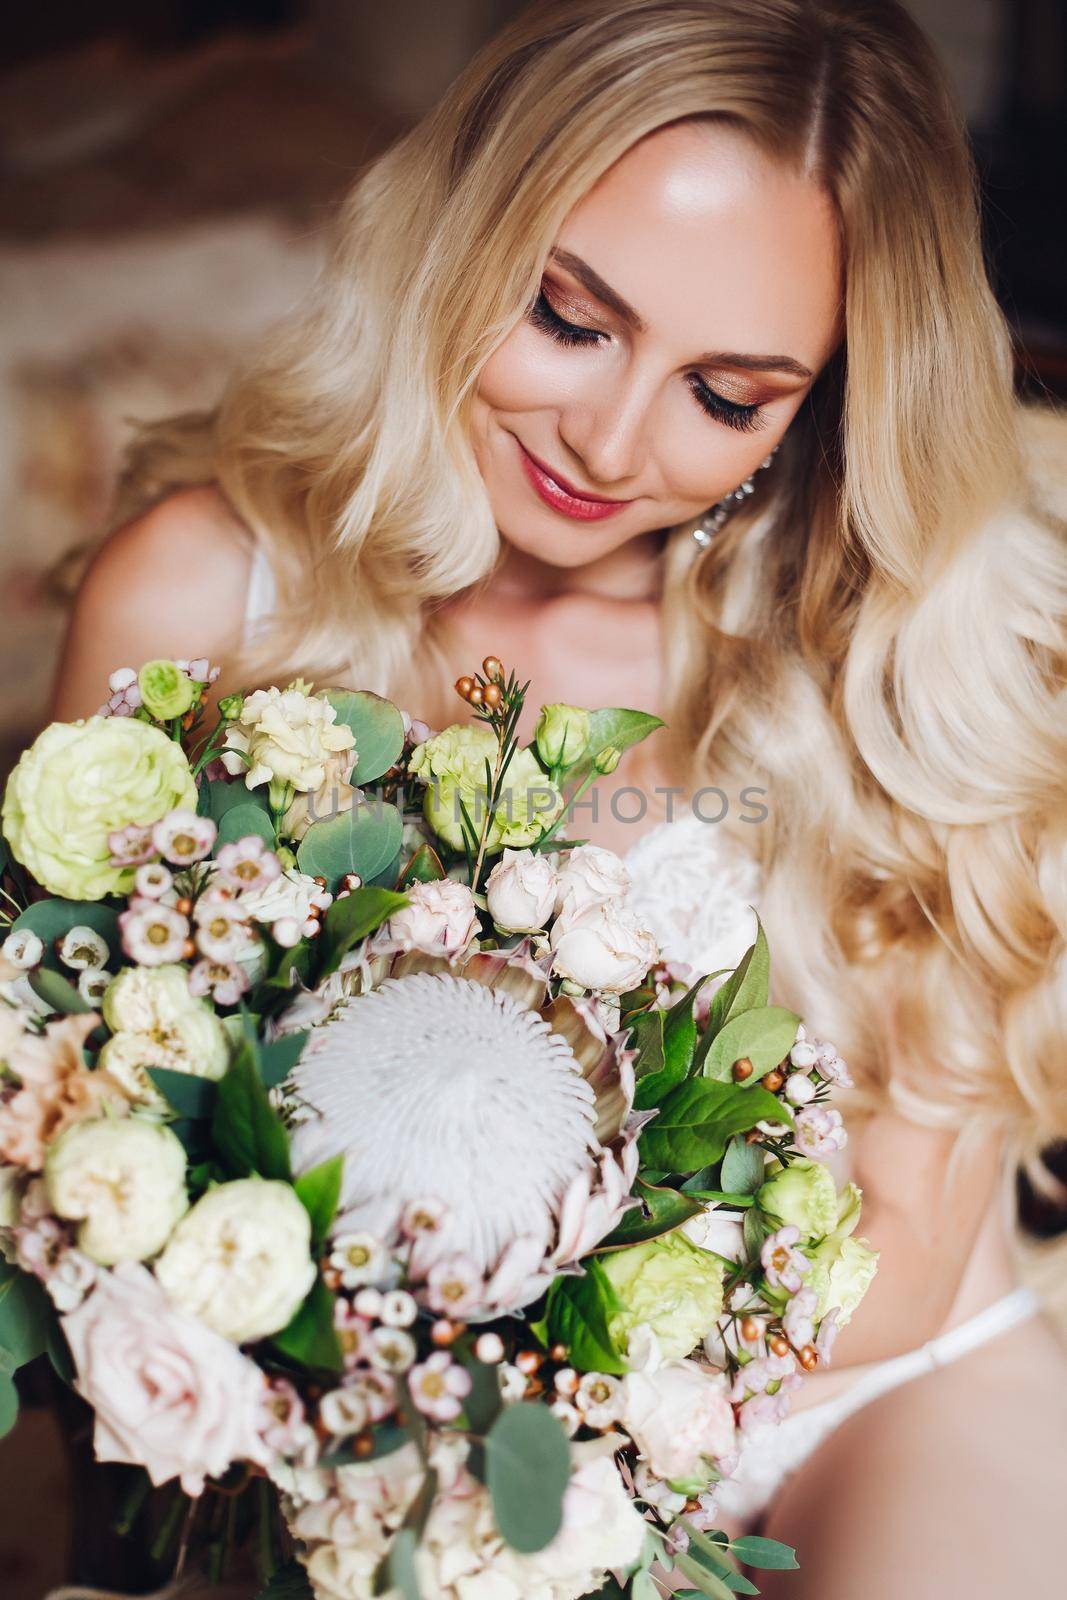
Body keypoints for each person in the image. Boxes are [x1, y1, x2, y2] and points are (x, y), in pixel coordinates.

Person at [44, 1, 1067, 1592]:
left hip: (876, 1392)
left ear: (828, 399)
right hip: (395, 1427)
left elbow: (904, 1253)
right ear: (460, 241)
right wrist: (418, 1443)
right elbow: (92, 1117)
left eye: (728, 397)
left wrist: (545, 1426)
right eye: (569, 318)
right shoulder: (199, 608)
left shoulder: (901, 657)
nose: (607, 438)